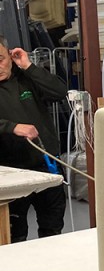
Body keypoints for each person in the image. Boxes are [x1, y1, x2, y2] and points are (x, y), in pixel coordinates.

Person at [0, 34, 68, 242]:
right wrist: (12, 127)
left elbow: (59, 92)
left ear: (10, 56)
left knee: (52, 231)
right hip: (11, 173)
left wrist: (28, 66)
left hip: (47, 165)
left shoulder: (27, 78)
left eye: (0, 59)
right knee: (14, 236)